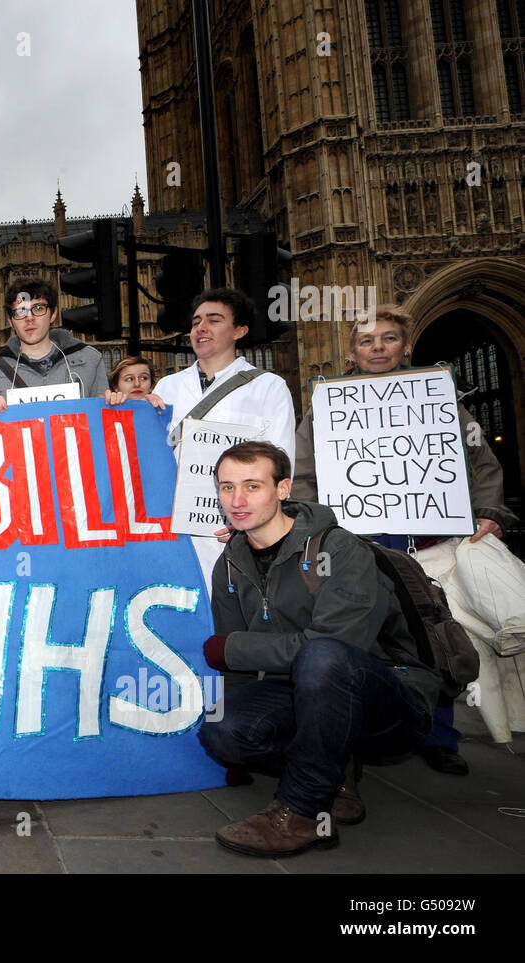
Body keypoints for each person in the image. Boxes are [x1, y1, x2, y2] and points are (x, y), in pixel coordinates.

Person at [290, 305, 521, 774]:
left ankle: (437, 734)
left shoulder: (438, 398)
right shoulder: (328, 405)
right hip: (359, 542)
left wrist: (490, 512)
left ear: (407, 346)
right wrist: (316, 526)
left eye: (389, 339)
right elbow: (306, 474)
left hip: (427, 541)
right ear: (351, 350)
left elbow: (480, 461)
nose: (378, 348)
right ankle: (360, 730)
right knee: (362, 635)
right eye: (367, 341)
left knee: (433, 635)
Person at [198, 441, 438, 856]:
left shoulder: (340, 549)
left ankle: (303, 812)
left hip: (387, 700)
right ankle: (335, 771)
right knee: (223, 730)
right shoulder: (231, 562)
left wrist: (234, 649)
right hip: (303, 693)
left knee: (322, 655)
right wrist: (236, 748)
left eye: (253, 486)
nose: (236, 500)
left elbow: (333, 649)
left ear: (284, 489)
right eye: (226, 487)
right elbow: (236, 667)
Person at [150, 287, 298, 587]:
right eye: (196, 322)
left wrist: (246, 517)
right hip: (174, 531)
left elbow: (281, 464)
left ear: (239, 330)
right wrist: (130, 413)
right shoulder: (167, 387)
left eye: (214, 320)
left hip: (236, 531)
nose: (201, 328)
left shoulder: (269, 386)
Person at [0, 277, 108, 411]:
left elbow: (105, 426)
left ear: (53, 314)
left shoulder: (90, 361)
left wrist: (117, 405)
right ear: (11, 321)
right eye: (20, 311)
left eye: (38, 308)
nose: (29, 318)